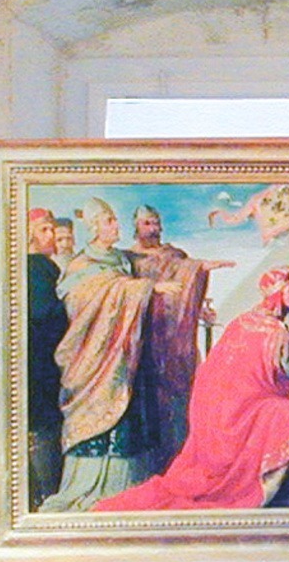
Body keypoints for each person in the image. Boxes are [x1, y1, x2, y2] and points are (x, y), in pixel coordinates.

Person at [97, 269, 289, 510]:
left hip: (221, 416)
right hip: (243, 416)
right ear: (279, 294)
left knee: (283, 412)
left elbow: (270, 362)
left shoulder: (243, 321)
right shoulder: (276, 332)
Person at [38, 198, 186, 511]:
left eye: (115, 220)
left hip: (123, 355)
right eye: (109, 221)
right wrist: (146, 288)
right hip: (93, 358)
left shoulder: (121, 259)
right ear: (94, 226)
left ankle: (127, 485)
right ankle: (93, 486)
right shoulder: (81, 264)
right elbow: (81, 301)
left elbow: (156, 264)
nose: (116, 226)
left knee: (130, 416)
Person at [124, 203, 232, 473]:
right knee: (146, 402)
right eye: (147, 223)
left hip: (175, 341)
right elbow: (125, 294)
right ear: (135, 227)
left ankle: (183, 461)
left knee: (180, 401)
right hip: (143, 341)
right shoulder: (128, 260)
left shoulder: (174, 255)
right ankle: (151, 466)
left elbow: (186, 277)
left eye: (156, 222)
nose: (153, 228)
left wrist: (201, 273)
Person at [25, 206, 69, 508]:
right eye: (44, 230)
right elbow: (44, 315)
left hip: (45, 361)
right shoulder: (36, 268)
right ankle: (46, 495)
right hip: (40, 363)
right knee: (44, 430)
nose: (51, 235)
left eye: (52, 229)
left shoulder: (45, 267)